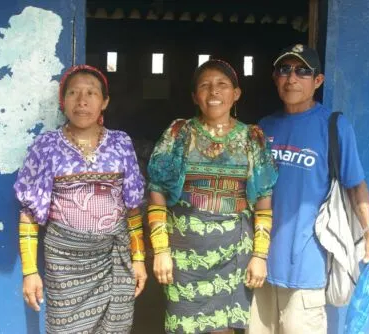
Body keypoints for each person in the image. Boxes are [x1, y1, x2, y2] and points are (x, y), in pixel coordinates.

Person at [246, 44, 369, 334]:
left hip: (307, 270)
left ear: (318, 81)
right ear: (275, 78)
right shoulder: (263, 127)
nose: (292, 78)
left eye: (302, 71)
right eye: (284, 70)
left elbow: (355, 185)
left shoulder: (334, 126)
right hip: (259, 266)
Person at [146, 59, 278, 334]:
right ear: (195, 96)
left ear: (236, 94)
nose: (214, 92)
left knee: (223, 329)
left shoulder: (253, 138)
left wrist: (260, 255)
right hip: (184, 254)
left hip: (234, 252)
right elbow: (156, 190)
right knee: (182, 326)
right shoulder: (179, 133)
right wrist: (160, 250)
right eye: (205, 86)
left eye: (222, 85)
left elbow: (264, 198)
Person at [14, 64, 147, 334]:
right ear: (63, 102)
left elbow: (132, 207)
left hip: (114, 261)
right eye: (73, 93)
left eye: (91, 93)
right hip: (65, 264)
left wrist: (139, 258)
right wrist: (29, 271)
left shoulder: (121, 143)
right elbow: (28, 211)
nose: (82, 101)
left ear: (105, 102)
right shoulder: (47, 145)